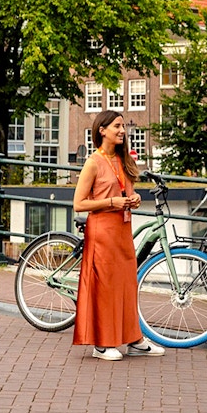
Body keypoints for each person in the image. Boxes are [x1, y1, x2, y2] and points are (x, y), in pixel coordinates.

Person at [72, 110, 164, 360]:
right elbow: (78, 204)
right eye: (117, 126)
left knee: (126, 284)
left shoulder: (124, 161)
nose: (122, 130)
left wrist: (134, 199)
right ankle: (101, 344)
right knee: (105, 286)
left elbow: (128, 193)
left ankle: (134, 339)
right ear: (102, 130)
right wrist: (111, 201)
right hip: (102, 231)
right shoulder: (93, 162)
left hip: (123, 230)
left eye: (123, 126)